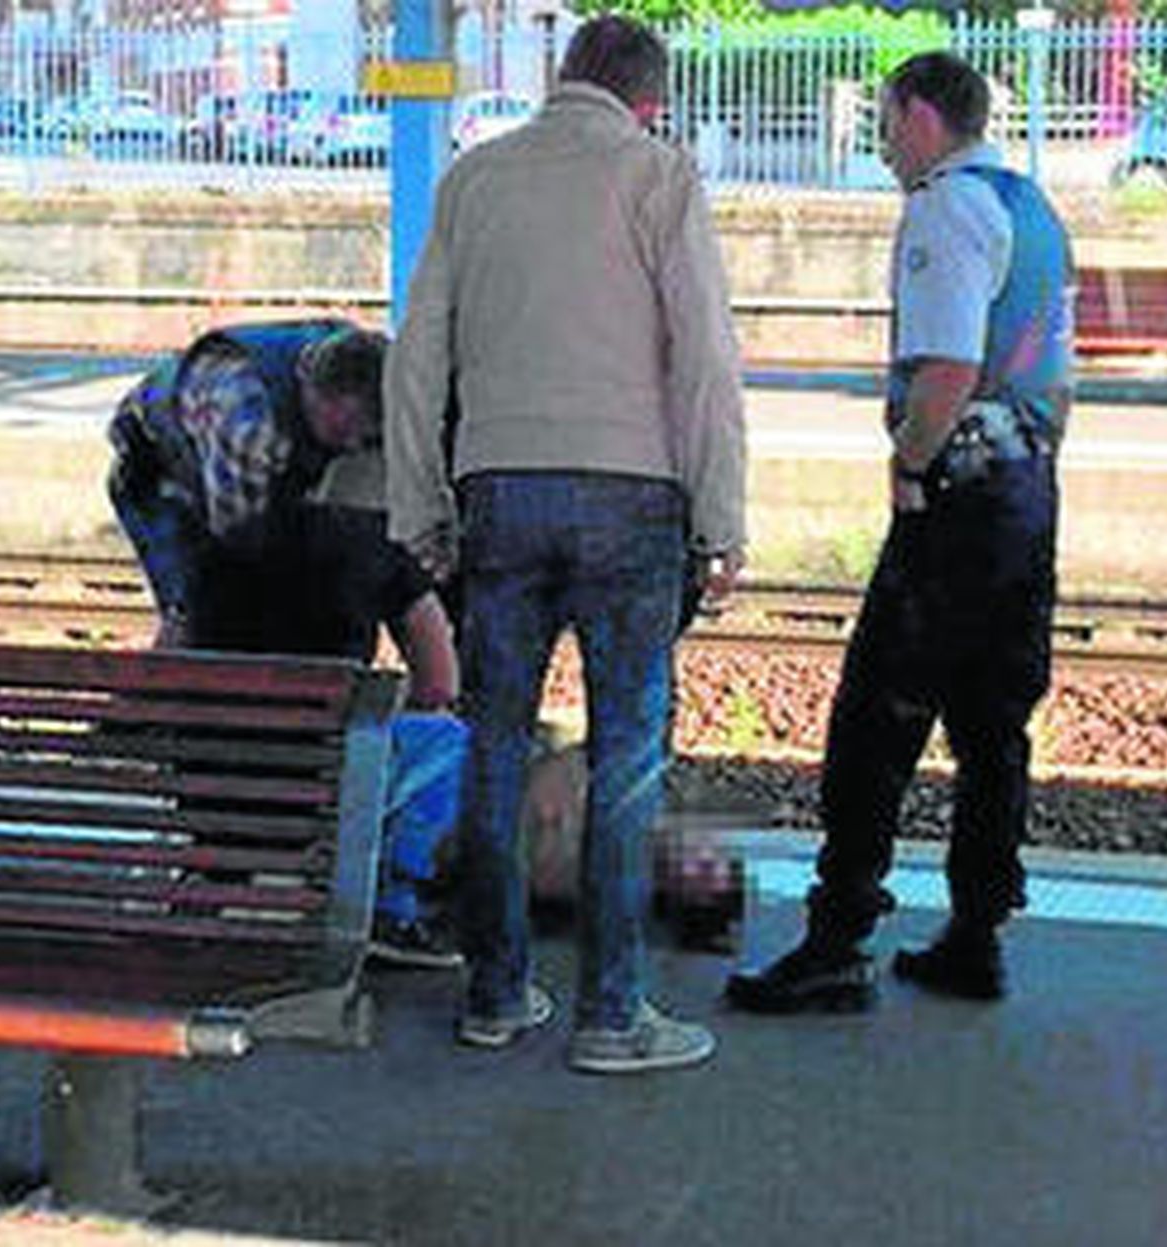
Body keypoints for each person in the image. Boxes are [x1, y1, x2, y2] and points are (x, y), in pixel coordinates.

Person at [385, 15, 747, 1073]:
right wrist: (720, 514)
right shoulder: (658, 175)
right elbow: (705, 361)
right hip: (632, 496)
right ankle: (612, 1013)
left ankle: (494, 992)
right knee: (627, 755)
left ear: (562, 81)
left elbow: (417, 360)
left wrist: (418, 509)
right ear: (646, 101)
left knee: (496, 743)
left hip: (498, 491)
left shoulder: (473, 180)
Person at [726, 51, 1073, 1011]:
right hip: (1028, 494)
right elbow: (1057, 377)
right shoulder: (1033, 207)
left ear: (921, 116)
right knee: (992, 722)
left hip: (955, 502)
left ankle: (837, 938)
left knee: (876, 716)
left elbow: (949, 369)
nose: (882, 147)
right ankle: (976, 933)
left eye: (884, 125)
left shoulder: (948, 207)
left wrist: (909, 463)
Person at [107, 318, 468, 969]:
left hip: (221, 802)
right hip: (327, 795)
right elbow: (440, 682)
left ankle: (214, 876)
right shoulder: (376, 551)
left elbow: (168, 668)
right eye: (360, 436)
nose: (361, 446)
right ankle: (389, 905)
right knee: (450, 741)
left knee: (206, 682)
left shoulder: (208, 570)